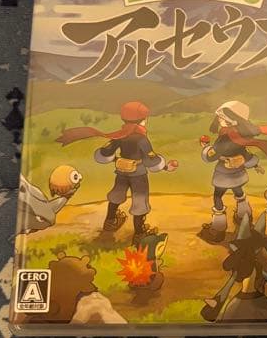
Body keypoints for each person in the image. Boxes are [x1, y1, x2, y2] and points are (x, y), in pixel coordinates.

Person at [56, 100, 177, 244]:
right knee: (140, 201)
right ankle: (139, 233)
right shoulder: (142, 139)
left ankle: (110, 221)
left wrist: (115, 159)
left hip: (121, 172)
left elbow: (105, 152)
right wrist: (165, 167)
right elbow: (151, 160)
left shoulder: (120, 136)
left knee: (116, 195)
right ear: (142, 120)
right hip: (138, 174)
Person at [199, 100, 267, 243]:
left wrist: (205, 148)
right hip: (238, 173)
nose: (219, 120)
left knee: (218, 197)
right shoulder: (239, 137)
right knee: (239, 193)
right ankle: (244, 216)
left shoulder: (225, 138)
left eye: (221, 118)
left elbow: (211, 157)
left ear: (231, 121)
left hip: (223, 174)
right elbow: (246, 154)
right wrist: (255, 164)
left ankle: (218, 229)